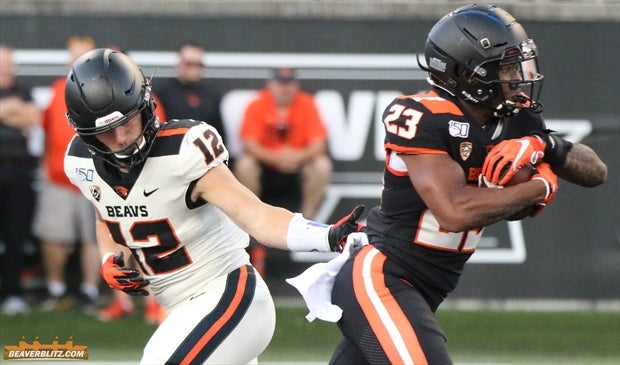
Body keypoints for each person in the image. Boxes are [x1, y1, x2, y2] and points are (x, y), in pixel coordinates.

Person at [325, 4, 607, 364]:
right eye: (504, 68)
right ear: (467, 74)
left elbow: (596, 172)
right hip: (383, 275)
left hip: (426, 285)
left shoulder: (516, 116)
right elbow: (454, 211)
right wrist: (540, 187)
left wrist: (545, 144)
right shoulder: (423, 114)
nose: (517, 78)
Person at [62, 48, 363, 364]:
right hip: (184, 311)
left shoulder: (183, 150)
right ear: (87, 134)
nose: (122, 136)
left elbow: (257, 216)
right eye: (107, 131)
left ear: (145, 105)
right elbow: (105, 214)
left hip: (229, 295)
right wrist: (111, 257)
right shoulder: (81, 162)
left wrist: (326, 236)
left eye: (128, 120)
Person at [234, 67, 333, 276]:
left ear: (296, 86)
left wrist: (296, 157)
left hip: (296, 170)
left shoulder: (306, 104)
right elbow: (249, 144)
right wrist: (277, 157)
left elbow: (319, 144)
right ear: (271, 85)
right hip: (266, 169)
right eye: (280, 84)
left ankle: (307, 224)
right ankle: (249, 221)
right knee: (245, 164)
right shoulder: (257, 104)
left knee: (322, 165)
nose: (285, 89)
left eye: (289, 84)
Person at [32, 34, 101, 313]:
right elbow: (47, 132)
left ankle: (90, 290)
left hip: (94, 176)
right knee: (52, 234)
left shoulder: (101, 88)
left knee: (93, 237)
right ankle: (55, 288)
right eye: (73, 55)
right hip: (59, 178)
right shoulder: (58, 89)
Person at [0, 44, 42, 315]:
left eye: (9, 63)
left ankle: (12, 293)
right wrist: (12, 109)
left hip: (18, 174)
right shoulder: (18, 98)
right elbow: (20, 115)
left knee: (16, 235)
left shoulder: (23, 91)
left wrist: (9, 108)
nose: (6, 68)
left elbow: (33, 117)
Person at [154, 42, 227, 144]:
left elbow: (219, 132)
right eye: (189, 64)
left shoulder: (212, 96)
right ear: (179, 64)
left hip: (204, 149)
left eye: (198, 65)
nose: (194, 69)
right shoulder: (161, 93)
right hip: (171, 146)